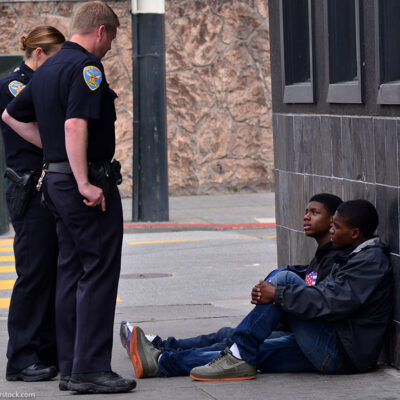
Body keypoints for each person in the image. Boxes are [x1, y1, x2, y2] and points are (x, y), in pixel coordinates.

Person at [2, 1, 135, 394]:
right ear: (101, 32)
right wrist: (83, 181)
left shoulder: (46, 71)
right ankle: (90, 368)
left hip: (55, 184)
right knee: (97, 272)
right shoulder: (85, 68)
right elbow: (76, 124)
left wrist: (54, 154)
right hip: (82, 185)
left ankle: (70, 365)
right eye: (111, 39)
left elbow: (11, 116)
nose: (110, 47)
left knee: (70, 272)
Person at [122, 193, 351, 378]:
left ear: (333, 221)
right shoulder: (322, 257)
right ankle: (161, 349)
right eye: (306, 212)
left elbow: (317, 304)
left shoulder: (337, 260)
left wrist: (276, 297)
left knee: (243, 349)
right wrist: (269, 299)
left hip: (320, 345)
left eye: (314, 213)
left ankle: (162, 361)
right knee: (230, 338)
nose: (306, 217)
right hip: (304, 334)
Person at [188, 199, 392, 380]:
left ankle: (239, 352)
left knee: (284, 280)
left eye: (335, 227)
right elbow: (326, 294)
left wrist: (277, 294)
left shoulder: (370, 262)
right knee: (249, 349)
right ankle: (164, 361)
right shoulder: (355, 255)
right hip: (333, 342)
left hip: (340, 354)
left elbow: (331, 302)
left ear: (355, 233)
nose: (331, 231)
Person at [0, 26, 65, 382]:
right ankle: (21, 359)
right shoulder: (14, 85)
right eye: (54, 56)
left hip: (47, 184)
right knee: (34, 274)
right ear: (39, 54)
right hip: (29, 186)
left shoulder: (41, 82)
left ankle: (45, 351)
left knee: (52, 273)